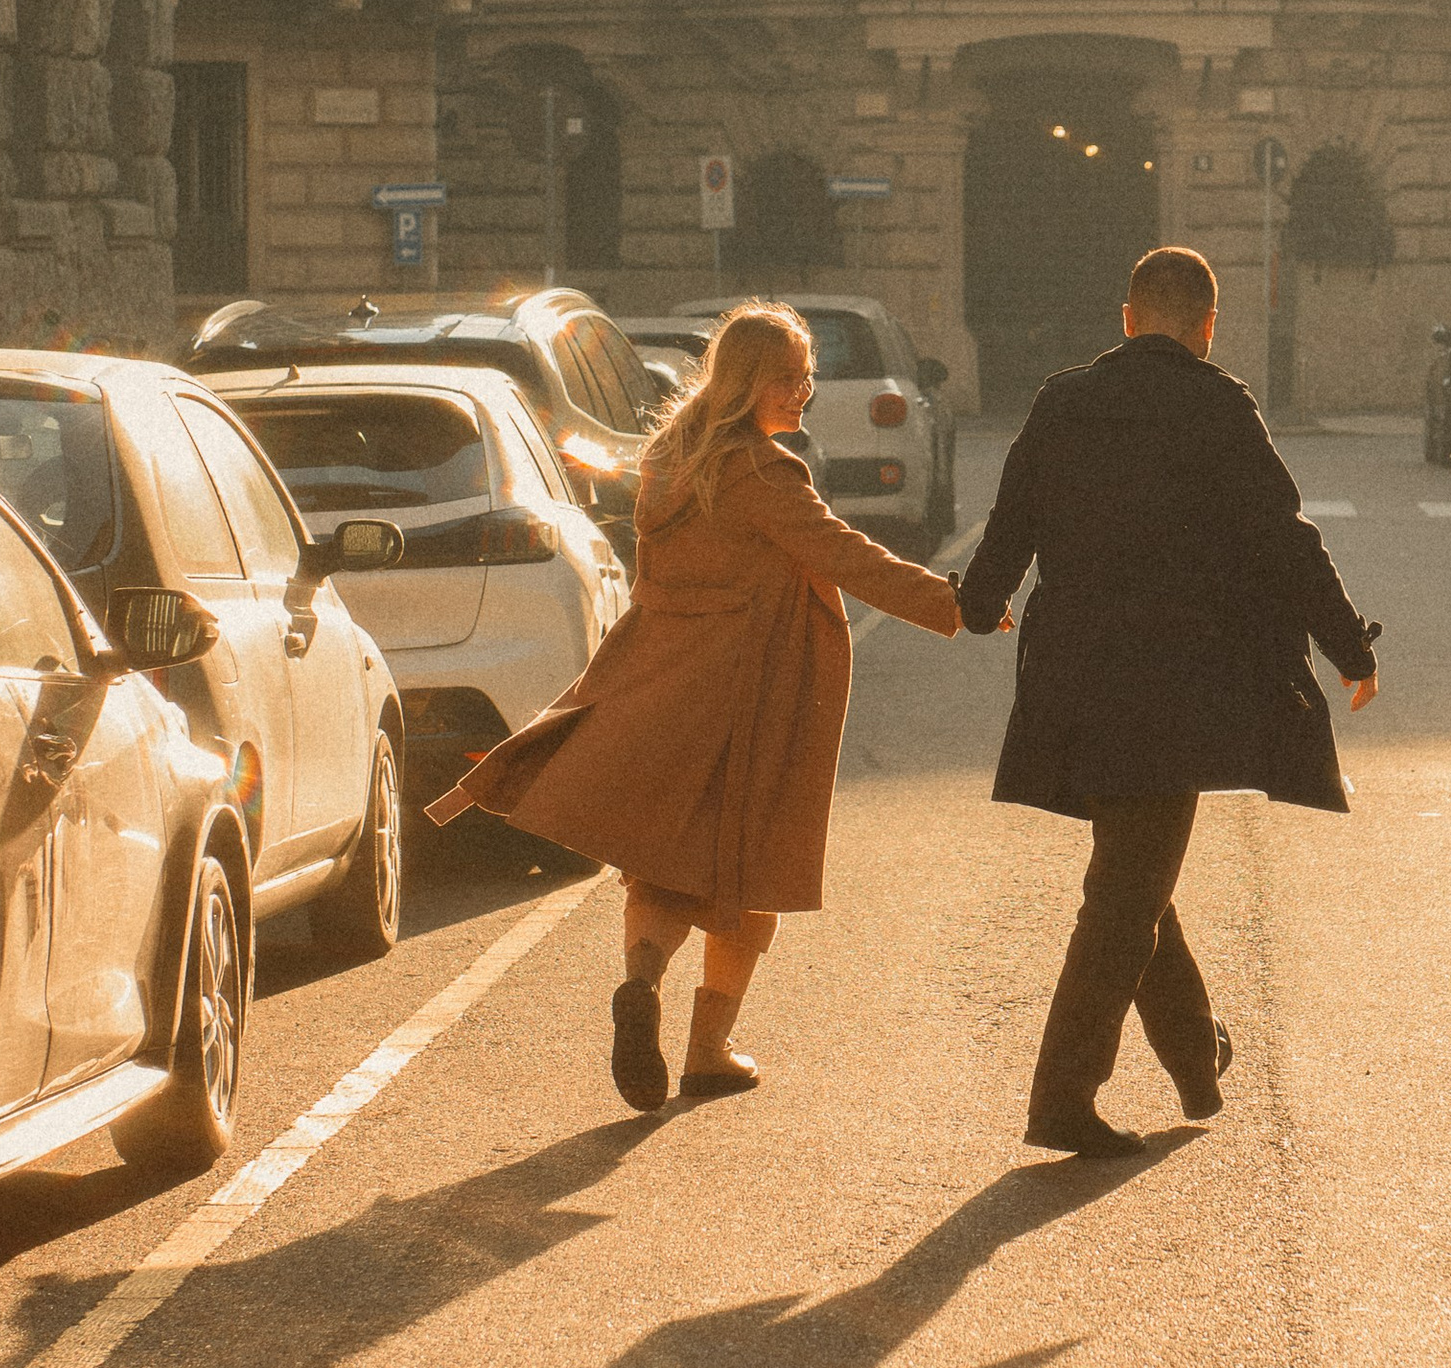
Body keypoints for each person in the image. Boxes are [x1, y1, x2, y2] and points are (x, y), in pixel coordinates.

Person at [428, 300, 964, 1110]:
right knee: (748, 880)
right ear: (748, 379)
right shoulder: (763, 474)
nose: (804, 391)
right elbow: (846, 556)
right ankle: (708, 1048)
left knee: (660, 867)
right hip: (747, 697)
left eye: (808, 374)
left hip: (662, 682)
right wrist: (954, 603)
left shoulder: (669, 460)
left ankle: (640, 985)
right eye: (788, 377)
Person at [957, 243, 1380, 1159]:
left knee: (1134, 873)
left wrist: (979, 603)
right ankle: (1062, 1096)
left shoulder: (1060, 399)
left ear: (1126, 317)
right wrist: (1347, 643)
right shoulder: (1219, 405)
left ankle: (1196, 1056)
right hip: (1176, 691)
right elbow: (1284, 539)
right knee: (1125, 893)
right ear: (1207, 327)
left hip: (1075, 684)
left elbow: (1011, 523)